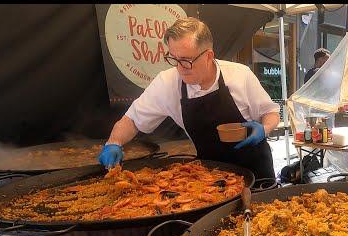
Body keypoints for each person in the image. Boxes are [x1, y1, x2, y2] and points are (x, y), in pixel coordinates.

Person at [98, 17, 280, 179]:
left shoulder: (240, 75)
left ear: (209, 56)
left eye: (186, 60)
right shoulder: (166, 83)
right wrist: (114, 143)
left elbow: (270, 112)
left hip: (257, 170)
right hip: (212, 177)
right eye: (174, 59)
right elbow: (132, 120)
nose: (180, 67)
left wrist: (264, 129)